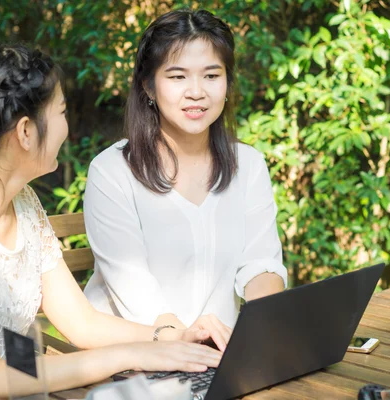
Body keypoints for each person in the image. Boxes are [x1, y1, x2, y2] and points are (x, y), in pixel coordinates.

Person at [0, 42, 222, 400]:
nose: (67, 128)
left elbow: (80, 322)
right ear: (25, 132)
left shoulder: (24, 205)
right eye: (63, 112)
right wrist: (134, 355)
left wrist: (168, 337)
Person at [83, 9, 288, 335]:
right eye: (177, 77)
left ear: (227, 83)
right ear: (148, 88)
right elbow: (133, 287)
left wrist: (263, 331)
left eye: (211, 75)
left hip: (216, 357)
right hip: (133, 356)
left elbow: (261, 264)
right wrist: (184, 340)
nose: (197, 91)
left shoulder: (248, 165)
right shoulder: (111, 172)